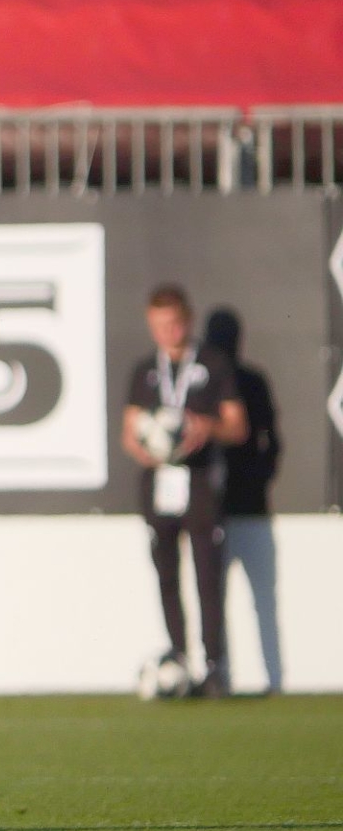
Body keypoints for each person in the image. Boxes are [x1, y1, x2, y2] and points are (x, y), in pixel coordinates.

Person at [122, 286, 249, 698]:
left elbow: (237, 426)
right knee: (166, 574)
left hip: (201, 485)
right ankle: (177, 659)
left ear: (188, 320)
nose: (169, 333)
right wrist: (147, 446)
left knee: (208, 578)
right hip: (159, 487)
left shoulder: (213, 365)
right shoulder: (145, 370)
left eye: (175, 324)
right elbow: (130, 431)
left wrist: (205, 427)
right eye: (160, 326)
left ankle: (214, 667)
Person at [205, 307, 283, 693]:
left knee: (259, 596)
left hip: (248, 505)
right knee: (211, 595)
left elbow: (271, 438)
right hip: (209, 507)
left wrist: (259, 478)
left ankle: (271, 676)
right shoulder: (204, 382)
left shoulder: (250, 382)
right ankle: (217, 672)